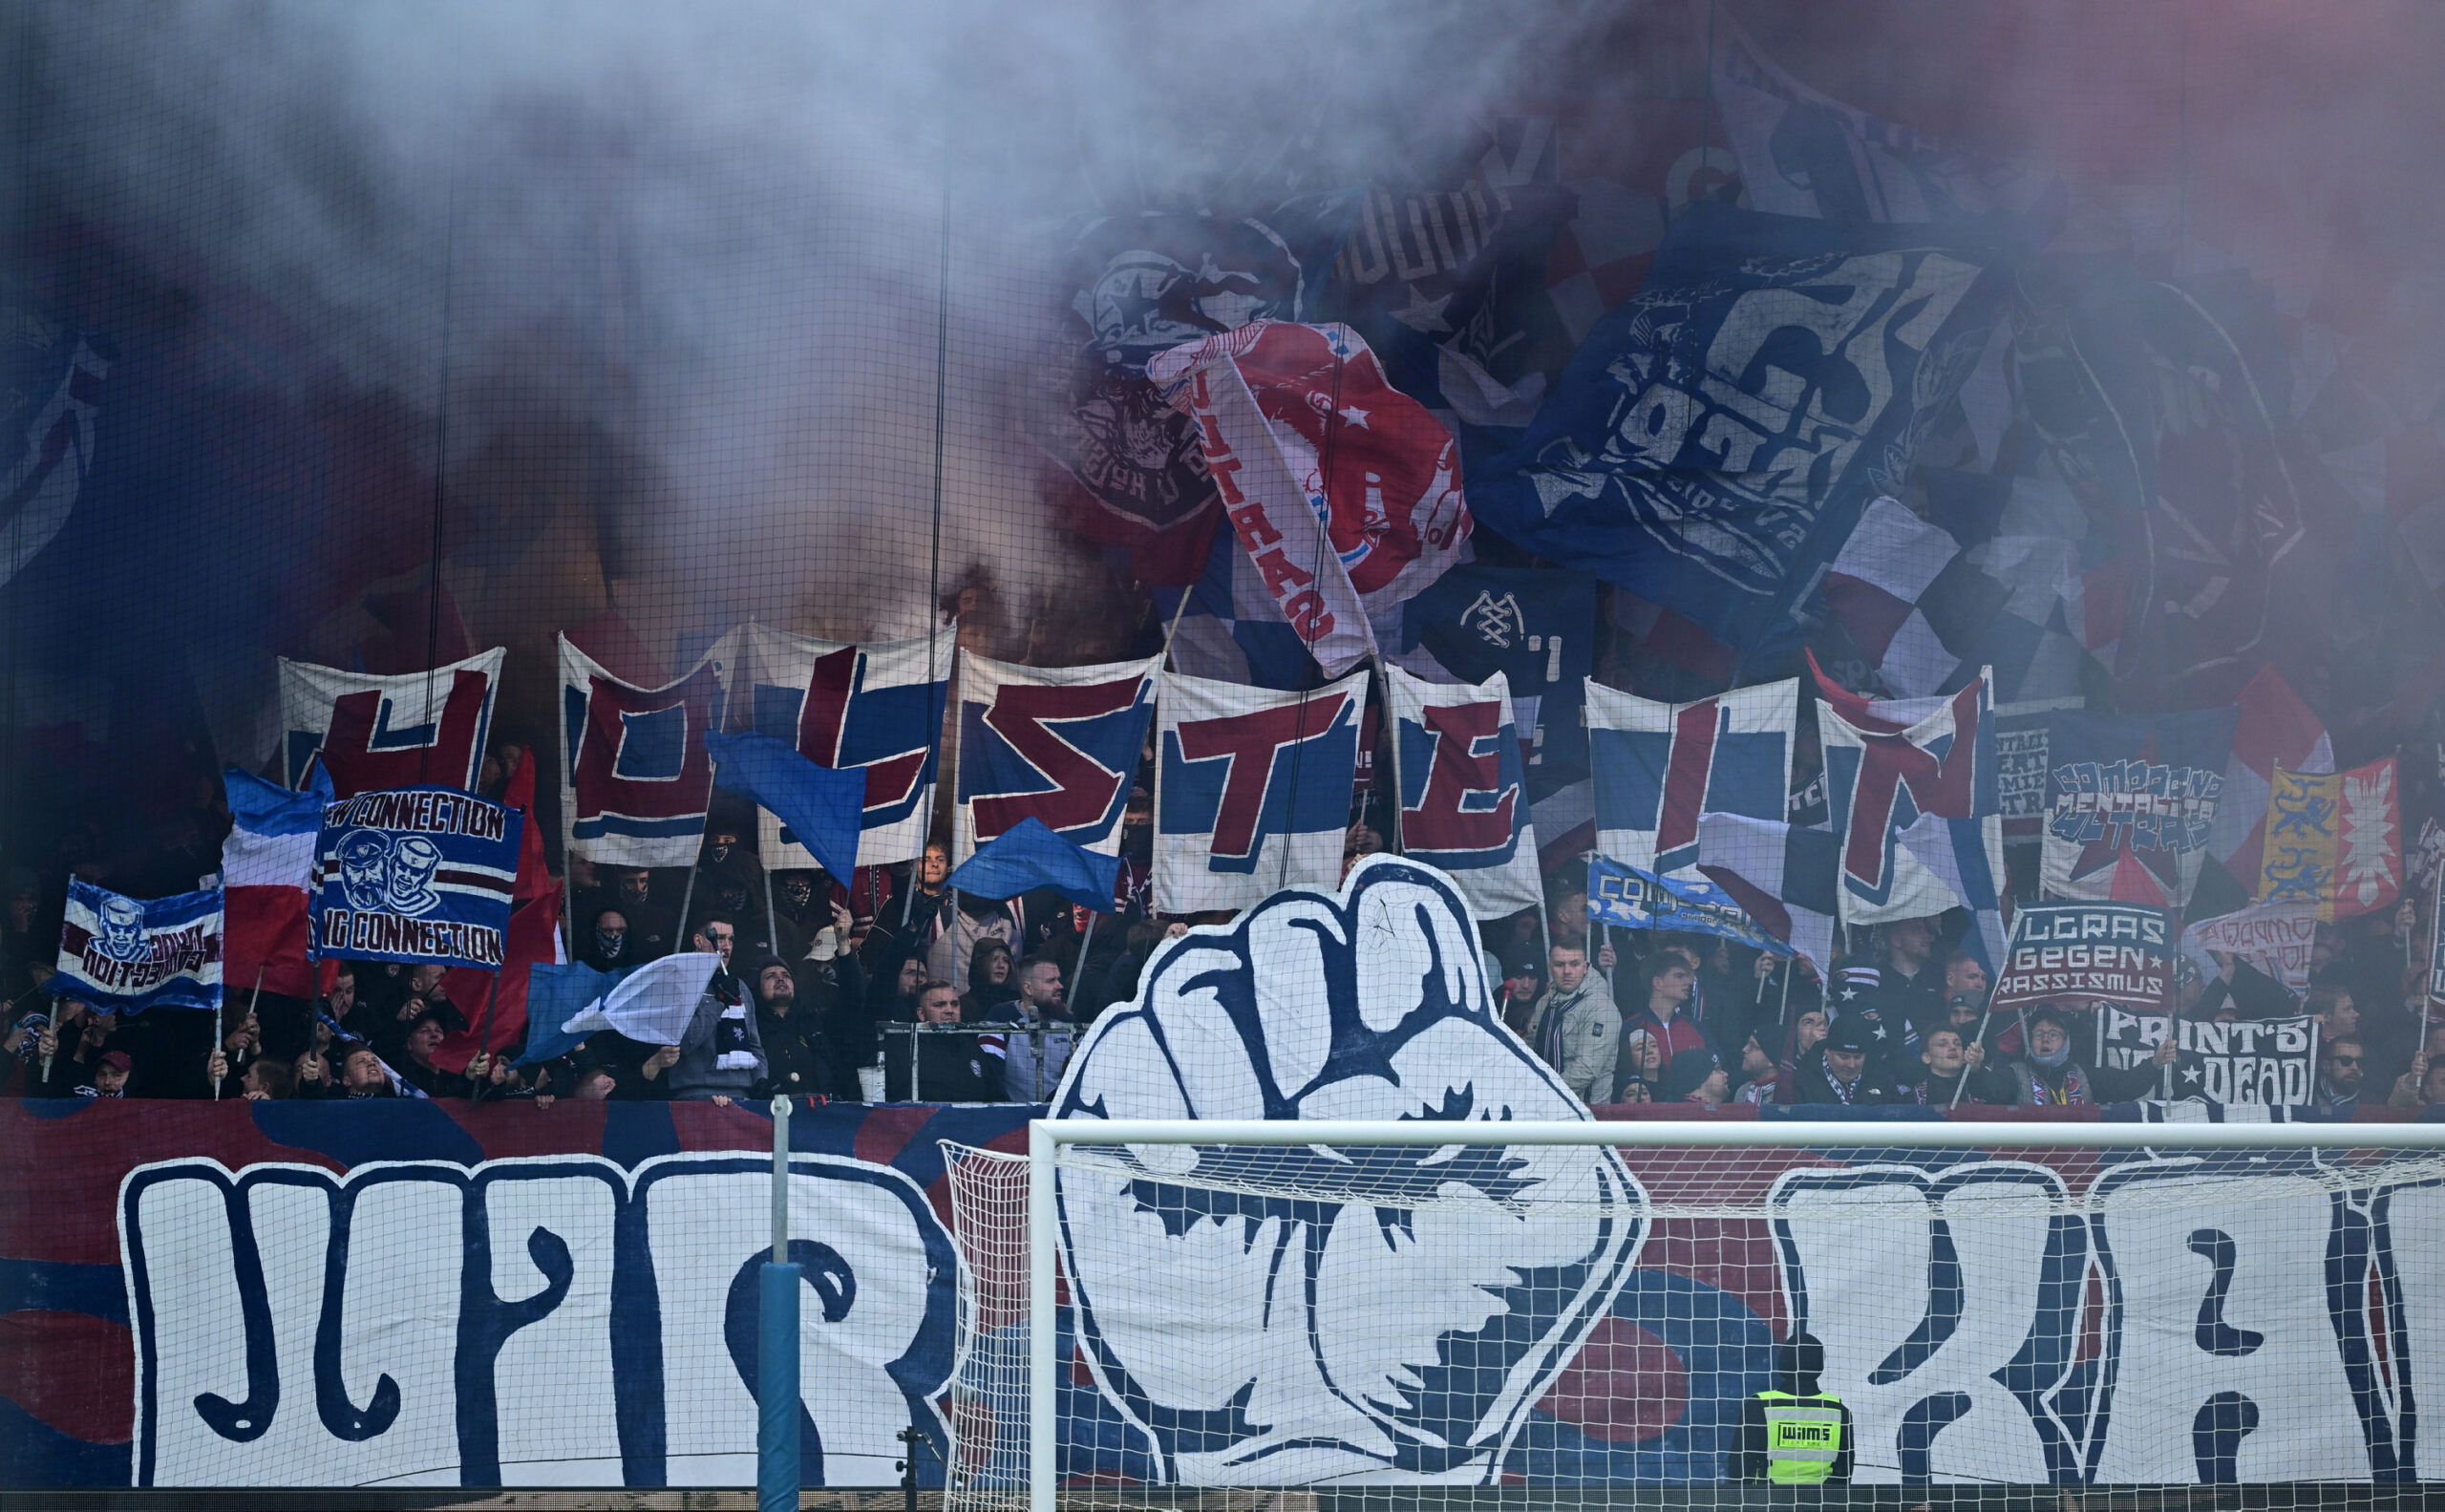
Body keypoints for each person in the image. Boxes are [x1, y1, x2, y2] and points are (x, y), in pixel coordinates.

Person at [1731, 1334, 1853, 1485]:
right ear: (1819, 1366)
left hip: (1766, 1503)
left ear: (1783, 1363)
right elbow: (1844, 1472)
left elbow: (1739, 1468)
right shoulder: (1839, 1410)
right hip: (1822, 1503)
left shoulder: (1758, 1405)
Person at [667, 918, 764, 1104]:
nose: (727, 946)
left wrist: (761, 1079)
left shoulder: (740, 987)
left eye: (731, 939)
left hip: (742, 1094)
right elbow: (685, 1042)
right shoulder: (679, 983)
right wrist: (720, 1002)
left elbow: (754, 1044)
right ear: (698, 941)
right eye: (719, 938)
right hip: (695, 1093)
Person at [2009, 1006, 2172, 1106]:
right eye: (2039, 1034)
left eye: (2053, 1034)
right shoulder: (2015, 1073)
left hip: (2078, 1157)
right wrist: (1981, 1066)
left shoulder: (2084, 1075)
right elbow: (1988, 1090)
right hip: (2029, 1159)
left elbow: (2127, 1085)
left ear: (2066, 1042)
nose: (2045, 1039)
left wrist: (2155, 1063)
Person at [881, 981, 1004, 1101]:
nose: (950, 1010)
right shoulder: (899, 1049)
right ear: (921, 1013)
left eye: (954, 1004)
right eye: (939, 1004)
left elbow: (996, 1098)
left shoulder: (972, 1047)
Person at [1524, 943, 1614, 1104]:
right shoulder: (1543, 1003)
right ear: (1550, 968)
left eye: (1575, 964)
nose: (1567, 971)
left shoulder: (1601, 1006)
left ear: (1585, 967)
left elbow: (1587, 1069)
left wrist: (1543, 1092)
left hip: (1586, 1110)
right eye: (1559, 965)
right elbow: (1530, 1053)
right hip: (1542, 1106)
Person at [750, 954, 840, 1101]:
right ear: (758, 988)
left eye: (786, 975)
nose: (780, 979)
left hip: (820, 1114)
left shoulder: (814, 1022)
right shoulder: (752, 1029)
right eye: (770, 976)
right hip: (769, 1115)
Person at [985, 955, 1075, 1102]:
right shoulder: (1000, 1016)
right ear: (1028, 988)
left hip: (1060, 1118)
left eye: (1058, 979)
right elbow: (991, 1075)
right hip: (1014, 1118)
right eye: (1051, 981)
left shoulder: (1067, 1019)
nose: (1060, 986)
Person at [1791, 1018, 1903, 1106]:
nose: (1851, 1065)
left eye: (1858, 1057)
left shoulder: (1882, 1079)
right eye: (1844, 1057)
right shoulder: (1801, 1080)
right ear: (1827, 1051)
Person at [1912, 1026, 2013, 1107]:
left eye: (1957, 1044)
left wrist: (1977, 1068)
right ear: (1927, 1057)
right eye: (1942, 1044)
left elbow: (2004, 1097)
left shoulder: (1977, 1084)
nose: (1952, 1047)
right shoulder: (1915, 1096)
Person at [962, 938, 1016, 1022]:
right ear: (980, 964)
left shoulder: (1017, 1002)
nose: (1001, 965)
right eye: (994, 959)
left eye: (1006, 960)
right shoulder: (963, 1005)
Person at [2313, 1034, 2367, 1113]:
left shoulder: (2370, 1103)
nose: (2355, 1067)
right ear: (2326, 1066)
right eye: (2345, 1060)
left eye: (2359, 1062)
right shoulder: (2307, 1095)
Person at [1658, 1049, 1728, 1106]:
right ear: (1698, 1077)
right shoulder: (1689, 1113)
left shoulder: (1709, 1109)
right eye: (1717, 1069)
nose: (1726, 1074)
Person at [581, 907, 633, 972]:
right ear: (596, 931)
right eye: (608, 930)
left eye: (621, 930)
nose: (614, 935)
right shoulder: (583, 969)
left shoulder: (638, 969)